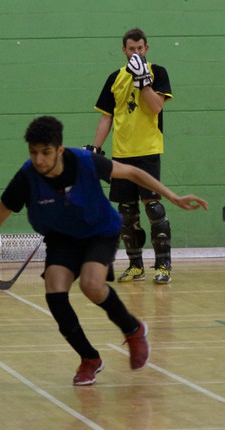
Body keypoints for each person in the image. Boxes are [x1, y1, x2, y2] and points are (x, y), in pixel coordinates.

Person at [0, 116, 207, 386]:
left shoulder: (85, 162)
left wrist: (173, 197)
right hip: (62, 238)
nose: (39, 159)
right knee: (55, 291)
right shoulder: (26, 178)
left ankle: (133, 329)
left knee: (91, 285)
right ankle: (90, 358)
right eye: (33, 152)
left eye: (45, 152)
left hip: (99, 231)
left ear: (60, 150)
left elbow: (134, 173)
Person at [90, 28, 174, 283]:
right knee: (126, 212)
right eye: (131, 48)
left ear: (146, 49)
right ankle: (135, 264)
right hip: (122, 154)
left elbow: (156, 106)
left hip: (147, 150)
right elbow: (107, 117)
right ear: (124, 50)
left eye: (140, 48)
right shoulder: (115, 78)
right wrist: (95, 149)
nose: (135, 52)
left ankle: (163, 265)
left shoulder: (157, 72)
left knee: (154, 208)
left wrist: (143, 81)